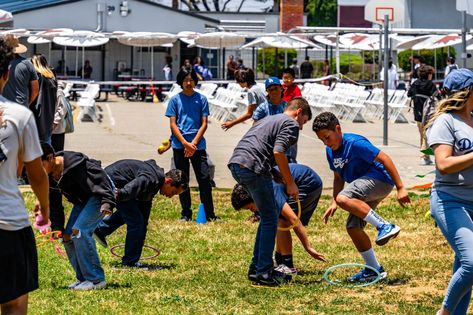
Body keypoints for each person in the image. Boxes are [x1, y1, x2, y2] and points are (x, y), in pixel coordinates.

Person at [312, 112, 410, 283]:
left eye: (328, 137)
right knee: (353, 227)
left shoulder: (355, 143)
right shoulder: (330, 151)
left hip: (380, 179)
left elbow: (385, 158)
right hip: (363, 188)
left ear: (338, 129)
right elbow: (338, 177)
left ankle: (385, 226)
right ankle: (373, 270)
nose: (326, 143)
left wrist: (401, 187)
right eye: (322, 140)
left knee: (344, 198)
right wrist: (335, 201)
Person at [228, 97, 312, 286]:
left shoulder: (270, 118)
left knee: (267, 216)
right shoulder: (290, 124)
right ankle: (264, 272)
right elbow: (278, 152)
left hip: (237, 163)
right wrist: (290, 183)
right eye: (304, 121)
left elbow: (263, 147)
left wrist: (276, 174)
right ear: (298, 112)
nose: (302, 127)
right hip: (253, 166)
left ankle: (256, 268)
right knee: (270, 218)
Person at [0, 37, 50, 315]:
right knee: (14, 302)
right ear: (6, 74)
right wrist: (45, 206)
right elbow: (37, 174)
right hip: (9, 223)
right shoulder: (20, 116)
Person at [425, 68, 473, 315]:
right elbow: (443, 164)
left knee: (465, 265)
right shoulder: (445, 122)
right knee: (472, 263)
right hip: (451, 200)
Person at [40, 143, 115, 291]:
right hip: (83, 200)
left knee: (80, 231)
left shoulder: (76, 163)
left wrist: (108, 202)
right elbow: (54, 203)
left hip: (100, 194)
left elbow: (101, 178)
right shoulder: (48, 176)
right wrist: (57, 226)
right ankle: (83, 279)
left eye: (40, 165)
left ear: (50, 158)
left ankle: (96, 280)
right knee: (67, 237)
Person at [231, 163, 325, 275]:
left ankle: (287, 265)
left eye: (251, 208)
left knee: (281, 219)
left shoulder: (272, 191)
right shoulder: (259, 187)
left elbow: (294, 220)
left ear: (253, 196)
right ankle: (279, 260)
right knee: (275, 217)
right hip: (302, 177)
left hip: (308, 183)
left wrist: (308, 247)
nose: (253, 211)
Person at [93, 160, 188, 267]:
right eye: (173, 192)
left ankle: (101, 230)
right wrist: (119, 194)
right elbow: (135, 185)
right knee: (136, 222)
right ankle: (130, 262)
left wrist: (141, 235)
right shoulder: (152, 179)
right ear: (168, 181)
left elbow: (144, 213)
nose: (171, 196)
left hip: (117, 184)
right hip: (115, 185)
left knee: (137, 217)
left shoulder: (155, 184)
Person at [165, 68, 218, 221]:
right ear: (180, 82)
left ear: (195, 81)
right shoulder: (175, 100)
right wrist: (184, 143)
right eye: (185, 80)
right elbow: (173, 125)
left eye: (191, 80)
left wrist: (193, 143)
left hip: (198, 146)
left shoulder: (201, 99)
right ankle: (186, 213)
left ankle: (210, 214)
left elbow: (204, 124)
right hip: (179, 145)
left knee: (204, 179)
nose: (188, 83)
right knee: (182, 181)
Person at [49, 81, 69, 233]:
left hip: (55, 136)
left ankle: (57, 225)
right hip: (48, 135)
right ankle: (51, 222)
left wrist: (49, 127)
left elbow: (61, 112)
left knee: (54, 178)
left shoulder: (57, 91)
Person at [407, 65, 437, 165]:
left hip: (417, 113)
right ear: (429, 74)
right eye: (431, 74)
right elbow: (438, 96)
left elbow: (409, 94)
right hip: (427, 113)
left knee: (422, 135)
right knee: (425, 135)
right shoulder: (430, 84)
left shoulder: (415, 83)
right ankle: (423, 156)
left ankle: (426, 156)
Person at [2, 36, 39, 107]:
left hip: (4, 106)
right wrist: (28, 103)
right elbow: (35, 89)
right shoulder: (27, 64)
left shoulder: (2, 63)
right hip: (22, 105)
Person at [31, 54, 57, 143]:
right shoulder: (52, 78)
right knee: (47, 149)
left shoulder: (37, 78)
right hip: (49, 117)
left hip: (37, 117)